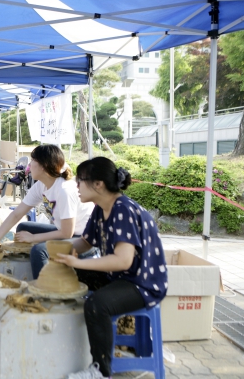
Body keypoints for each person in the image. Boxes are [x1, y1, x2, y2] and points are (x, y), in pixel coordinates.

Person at [60, 157, 168, 379]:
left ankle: (101, 370)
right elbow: (84, 243)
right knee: (64, 274)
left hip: (143, 283)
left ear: (98, 184)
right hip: (120, 277)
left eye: (80, 181)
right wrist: (54, 250)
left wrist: (78, 262)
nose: (76, 186)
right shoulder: (101, 208)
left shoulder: (122, 210)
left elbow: (123, 260)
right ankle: (66, 344)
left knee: (96, 304)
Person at [0, 145, 94, 278]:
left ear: (44, 166)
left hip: (83, 239)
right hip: (66, 233)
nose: (29, 166)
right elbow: (16, 214)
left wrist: (34, 238)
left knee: (38, 251)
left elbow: (67, 232)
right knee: (23, 227)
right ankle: (25, 274)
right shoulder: (41, 185)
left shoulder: (64, 190)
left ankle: (43, 290)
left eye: (32, 161)